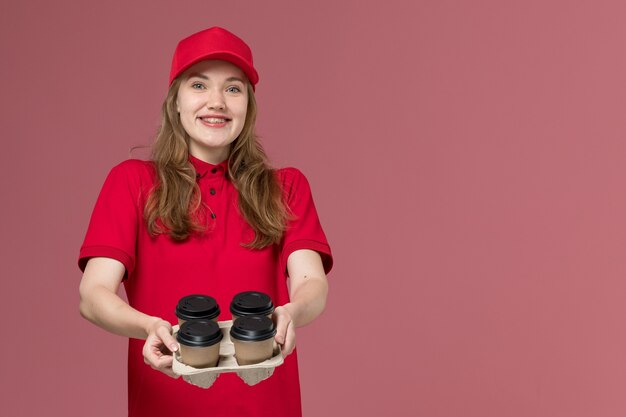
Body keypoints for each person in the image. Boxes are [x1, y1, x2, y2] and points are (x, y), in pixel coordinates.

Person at [78, 27, 333, 417]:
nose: (217, 102)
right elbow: (93, 294)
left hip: (268, 406)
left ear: (248, 105)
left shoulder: (286, 187)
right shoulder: (132, 182)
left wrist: (291, 313)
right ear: (175, 101)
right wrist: (148, 327)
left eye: (233, 89)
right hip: (165, 405)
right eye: (199, 85)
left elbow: (311, 283)